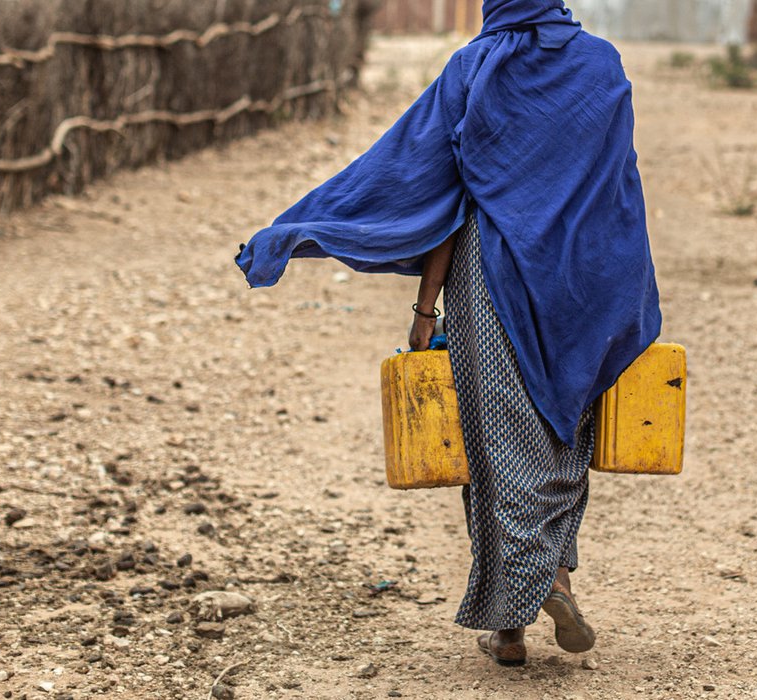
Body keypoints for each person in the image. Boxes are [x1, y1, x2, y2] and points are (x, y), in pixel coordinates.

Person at [234, 0, 659, 667]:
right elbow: (619, 189)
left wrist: (426, 305)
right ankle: (552, 579)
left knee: (492, 449)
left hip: (493, 278)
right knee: (560, 434)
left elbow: (436, 192)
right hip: (583, 282)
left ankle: (516, 618)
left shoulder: (474, 67)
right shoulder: (600, 65)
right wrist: (625, 294)